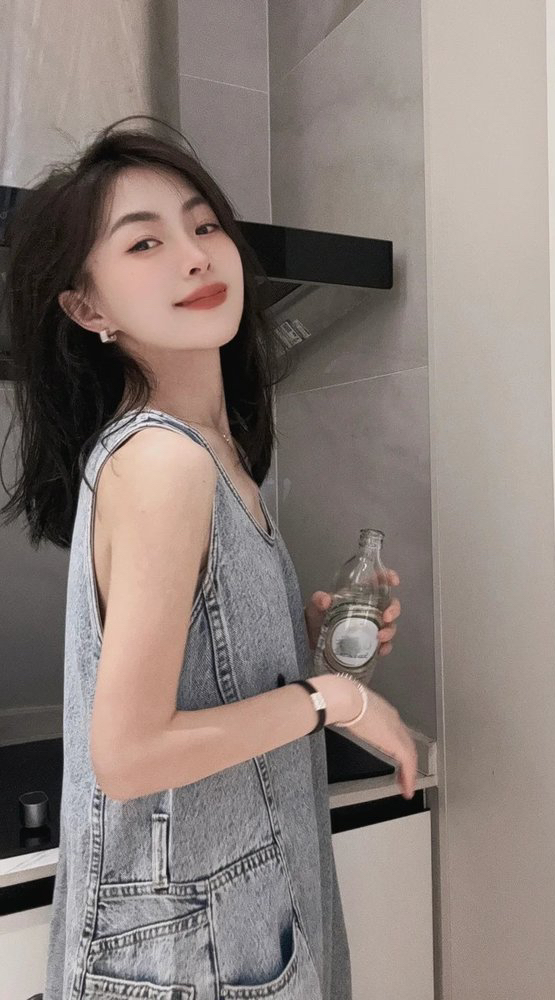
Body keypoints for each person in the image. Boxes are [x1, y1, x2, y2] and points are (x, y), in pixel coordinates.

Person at [0, 114, 418, 1000]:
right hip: (189, 957)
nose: (194, 256)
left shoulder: (217, 457)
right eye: (144, 242)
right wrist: (332, 698)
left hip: (240, 923)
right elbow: (129, 754)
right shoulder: (163, 460)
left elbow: (204, 688)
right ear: (88, 309)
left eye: (203, 225)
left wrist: (304, 648)